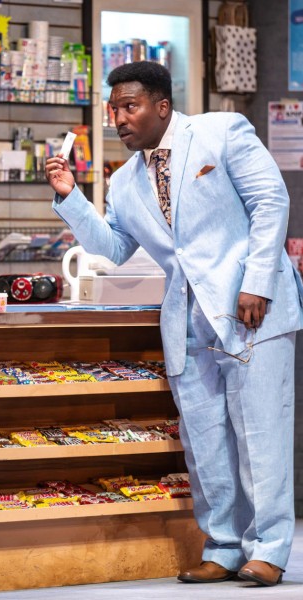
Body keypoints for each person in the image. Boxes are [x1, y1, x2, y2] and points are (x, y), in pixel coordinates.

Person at [46, 61, 303, 587]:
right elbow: (114, 249)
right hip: (187, 319)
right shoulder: (124, 182)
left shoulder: (220, 131)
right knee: (205, 439)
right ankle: (224, 546)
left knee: (260, 434)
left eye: (130, 106)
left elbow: (271, 201)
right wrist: (70, 196)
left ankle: (271, 549)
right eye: (113, 108)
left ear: (162, 106)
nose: (119, 117)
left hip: (249, 306)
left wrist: (257, 281)